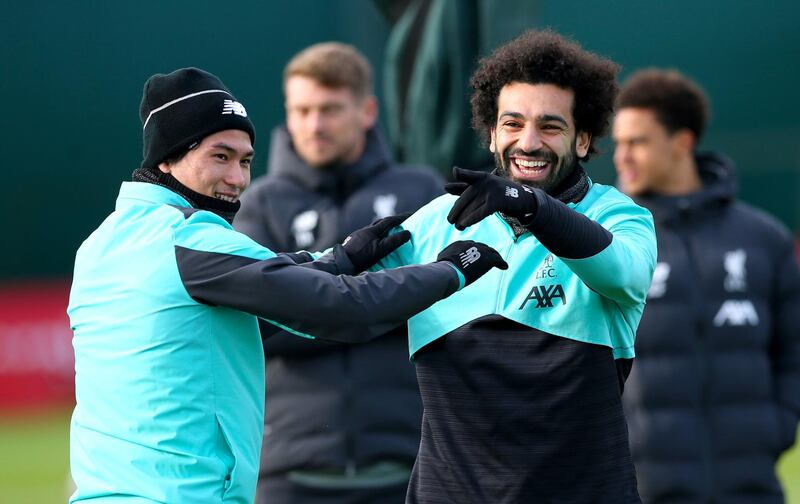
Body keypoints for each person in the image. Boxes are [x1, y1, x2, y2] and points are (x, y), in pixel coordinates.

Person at [66, 67, 507, 503]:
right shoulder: (189, 239)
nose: (238, 179)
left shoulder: (101, 244)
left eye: (245, 160)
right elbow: (340, 309)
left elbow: (258, 291)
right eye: (220, 156)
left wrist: (341, 259)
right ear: (168, 157)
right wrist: (451, 270)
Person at [374, 30, 656, 503]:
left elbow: (624, 272)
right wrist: (336, 261)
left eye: (550, 126)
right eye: (512, 124)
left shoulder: (618, 216)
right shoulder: (436, 221)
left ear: (583, 140)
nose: (529, 143)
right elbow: (323, 305)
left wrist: (531, 206)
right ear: (490, 134)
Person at [234, 42, 444, 504]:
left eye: (329, 109)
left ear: (366, 111)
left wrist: (315, 303)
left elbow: (440, 311)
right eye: (302, 109)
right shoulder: (257, 204)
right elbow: (260, 324)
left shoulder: (420, 189)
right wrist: (386, 300)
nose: (314, 124)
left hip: (410, 460)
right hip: (289, 469)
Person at [613, 68, 800, 503]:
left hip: (751, 487)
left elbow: (794, 347)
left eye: (637, 142)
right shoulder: (609, 242)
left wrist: (779, 425)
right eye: (618, 143)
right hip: (646, 489)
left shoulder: (763, 238)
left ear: (682, 142)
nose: (621, 156)